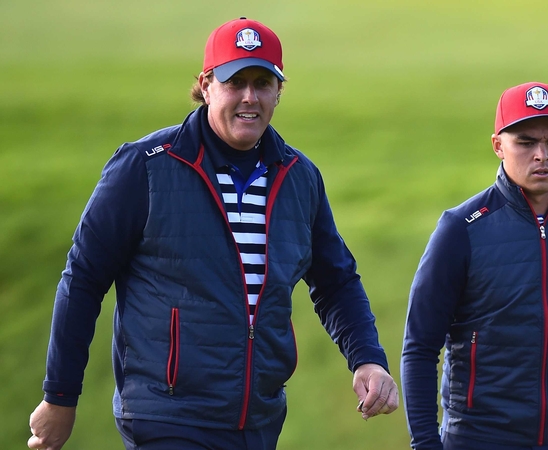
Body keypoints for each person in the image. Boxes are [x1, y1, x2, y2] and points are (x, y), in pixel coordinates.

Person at [28, 17, 398, 450]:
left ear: (279, 91)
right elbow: (83, 280)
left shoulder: (299, 178)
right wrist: (60, 396)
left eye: (263, 83)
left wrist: (367, 359)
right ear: (206, 85)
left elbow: (336, 282)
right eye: (234, 81)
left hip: (259, 420)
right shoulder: (144, 168)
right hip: (167, 417)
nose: (249, 97)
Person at [401, 82, 548, 450]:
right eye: (525, 142)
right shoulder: (460, 229)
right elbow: (419, 348)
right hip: (480, 438)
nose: (542, 155)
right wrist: (426, 444)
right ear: (498, 145)